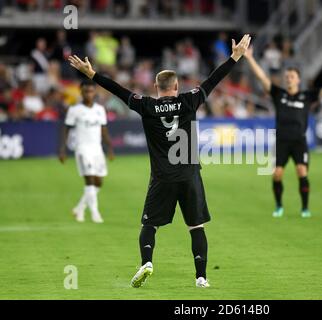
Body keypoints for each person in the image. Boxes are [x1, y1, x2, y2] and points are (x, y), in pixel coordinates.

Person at [67, 34, 252, 288]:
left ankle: (147, 262)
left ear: (156, 87)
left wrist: (92, 75)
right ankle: (201, 277)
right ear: (176, 87)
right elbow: (213, 80)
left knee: (150, 224)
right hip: (189, 174)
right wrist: (235, 57)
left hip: (162, 177)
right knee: (196, 227)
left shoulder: (147, 106)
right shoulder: (189, 100)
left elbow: (119, 91)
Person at [244, 46, 322, 218]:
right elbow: (262, 77)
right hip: (281, 141)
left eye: (292, 76)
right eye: (287, 77)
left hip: (299, 141)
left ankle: (305, 208)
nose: (289, 79)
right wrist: (250, 58)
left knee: (301, 172)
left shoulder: (306, 96)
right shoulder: (278, 93)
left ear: (298, 80)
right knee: (277, 174)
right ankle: (279, 206)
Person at [59, 80, 114, 224]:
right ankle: (95, 213)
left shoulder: (99, 110)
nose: (88, 93)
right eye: (85, 91)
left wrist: (109, 148)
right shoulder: (74, 110)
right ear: (81, 92)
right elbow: (66, 128)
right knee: (89, 180)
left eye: (91, 91)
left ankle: (80, 208)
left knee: (98, 182)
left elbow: (104, 129)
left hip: (97, 149)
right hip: (82, 148)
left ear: (94, 92)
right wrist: (62, 149)